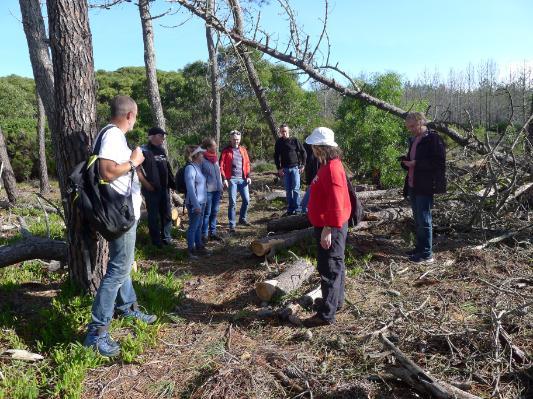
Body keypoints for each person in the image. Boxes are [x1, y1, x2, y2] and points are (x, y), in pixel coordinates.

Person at [84, 95, 156, 357]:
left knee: (122, 264)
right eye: (135, 116)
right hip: (120, 215)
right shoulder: (113, 135)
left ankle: (127, 309)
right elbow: (107, 171)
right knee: (117, 269)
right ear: (130, 115)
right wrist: (134, 162)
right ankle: (96, 332)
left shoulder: (111, 136)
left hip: (121, 213)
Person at [302, 127, 351, 328]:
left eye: (314, 146)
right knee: (335, 265)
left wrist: (328, 228)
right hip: (329, 224)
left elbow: (337, 202)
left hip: (331, 226)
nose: (312, 150)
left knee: (329, 267)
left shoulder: (332, 169)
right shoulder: (328, 165)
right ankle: (335, 301)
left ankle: (326, 315)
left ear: (321, 148)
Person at [401, 112, 446, 264]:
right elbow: (413, 159)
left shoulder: (433, 139)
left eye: (413, 126)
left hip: (425, 185)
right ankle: (420, 248)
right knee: (418, 219)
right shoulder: (414, 140)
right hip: (413, 184)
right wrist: (405, 162)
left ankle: (427, 254)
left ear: (421, 122)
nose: (411, 129)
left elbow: (438, 163)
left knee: (425, 219)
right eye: (408, 127)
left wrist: (416, 164)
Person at [138, 127, 175, 248]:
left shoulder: (161, 150)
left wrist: (171, 183)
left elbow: (167, 168)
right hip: (151, 190)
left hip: (164, 189)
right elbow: (137, 169)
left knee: (167, 214)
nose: (163, 138)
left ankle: (167, 238)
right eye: (161, 136)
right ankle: (156, 242)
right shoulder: (143, 150)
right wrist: (146, 184)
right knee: (153, 216)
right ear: (152, 136)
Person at [219, 130, 252, 233]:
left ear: (240, 139)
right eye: (234, 139)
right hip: (231, 179)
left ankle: (242, 219)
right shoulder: (225, 151)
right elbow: (221, 166)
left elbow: (247, 164)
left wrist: (248, 176)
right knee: (232, 202)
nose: (236, 141)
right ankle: (232, 224)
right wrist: (224, 179)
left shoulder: (243, 150)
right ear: (230, 139)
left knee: (246, 200)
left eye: (237, 139)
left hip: (243, 179)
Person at [274, 124, 306, 215]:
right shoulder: (279, 142)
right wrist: (279, 168)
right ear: (280, 132)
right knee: (288, 190)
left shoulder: (295, 140)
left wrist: (303, 165)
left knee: (296, 189)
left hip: (295, 168)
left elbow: (303, 152)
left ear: (288, 131)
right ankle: (290, 209)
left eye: (285, 131)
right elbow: (276, 156)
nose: (284, 133)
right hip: (285, 169)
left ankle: (298, 209)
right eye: (282, 131)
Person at [184, 145, 208, 259]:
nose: (203, 155)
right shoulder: (190, 168)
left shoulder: (197, 167)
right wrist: (196, 205)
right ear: (196, 156)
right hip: (195, 203)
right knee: (193, 227)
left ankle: (199, 246)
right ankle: (190, 251)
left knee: (199, 226)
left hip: (201, 202)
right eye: (201, 154)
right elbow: (190, 189)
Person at [200, 137, 223, 242]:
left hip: (217, 190)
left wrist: (221, 185)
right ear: (208, 147)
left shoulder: (215, 158)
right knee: (207, 213)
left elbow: (218, 173)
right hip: (208, 191)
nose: (216, 147)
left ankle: (212, 233)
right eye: (214, 146)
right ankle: (204, 234)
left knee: (214, 211)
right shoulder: (202, 159)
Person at [300, 142, 320, 213]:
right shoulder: (305, 147)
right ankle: (305, 210)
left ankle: (306, 209)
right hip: (312, 176)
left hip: (318, 176)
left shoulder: (320, 149)